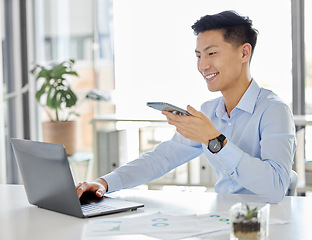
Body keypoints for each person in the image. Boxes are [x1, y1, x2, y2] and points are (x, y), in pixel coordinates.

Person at [76, 10, 296, 203]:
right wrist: (105, 182)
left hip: (264, 225)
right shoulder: (209, 111)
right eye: (198, 56)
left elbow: (275, 188)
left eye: (211, 53)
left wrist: (215, 141)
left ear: (244, 53)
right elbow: (163, 158)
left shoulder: (274, 111)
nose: (202, 66)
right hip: (221, 217)